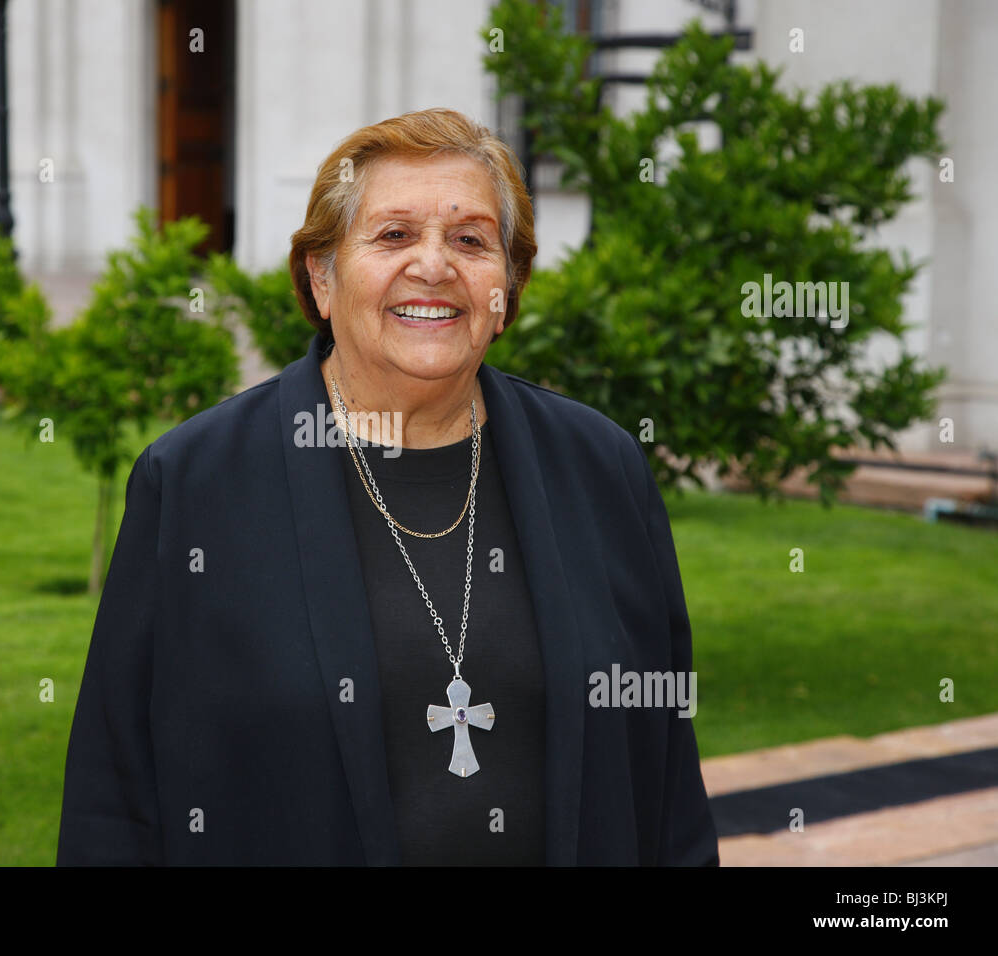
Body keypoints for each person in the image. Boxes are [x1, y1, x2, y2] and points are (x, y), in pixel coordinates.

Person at [57, 107, 719, 865]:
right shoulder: (195, 484)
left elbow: (668, 783)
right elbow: (114, 798)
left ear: (508, 286)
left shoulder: (602, 466)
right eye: (394, 235)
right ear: (323, 276)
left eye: (470, 240)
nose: (434, 266)